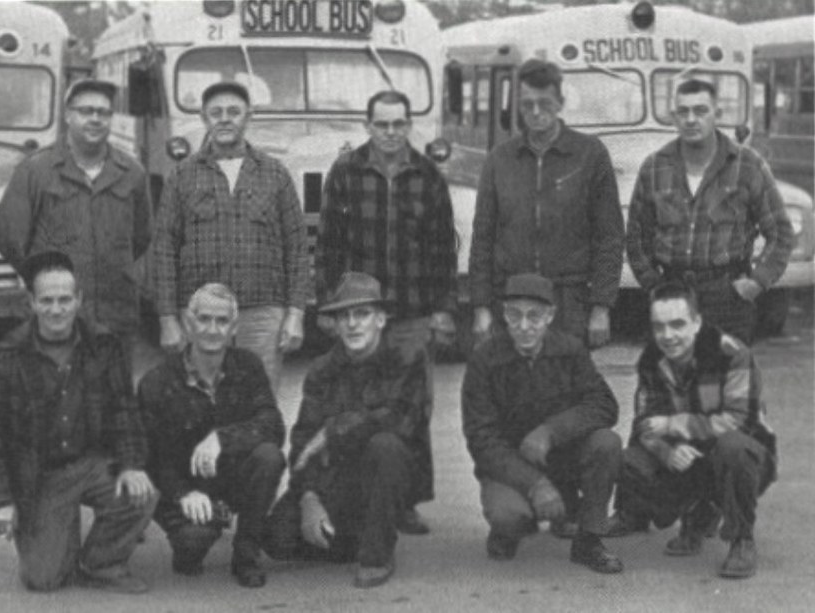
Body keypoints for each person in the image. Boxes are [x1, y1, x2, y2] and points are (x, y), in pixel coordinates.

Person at [315, 90, 457, 535]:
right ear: (367, 125)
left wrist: (444, 308)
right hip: (359, 313)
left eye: (399, 124)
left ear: (409, 124)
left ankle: (407, 500)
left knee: (413, 406)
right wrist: (327, 304)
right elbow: (329, 245)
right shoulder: (345, 172)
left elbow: (443, 248)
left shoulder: (428, 174)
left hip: (413, 312)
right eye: (382, 124)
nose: (391, 133)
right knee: (358, 403)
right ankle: (356, 494)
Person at [0, 251, 157, 593]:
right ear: (31, 302)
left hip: (91, 462)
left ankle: (101, 562)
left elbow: (124, 410)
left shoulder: (104, 344)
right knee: (43, 579)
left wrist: (132, 465)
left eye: (64, 299)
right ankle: (59, 529)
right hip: (39, 474)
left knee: (143, 492)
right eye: (46, 300)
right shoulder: (5, 356)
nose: (56, 310)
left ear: (79, 300)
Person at [264, 272, 429, 589]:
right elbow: (303, 441)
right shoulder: (323, 369)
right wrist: (309, 497)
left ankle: (377, 554)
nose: (353, 324)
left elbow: (402, 420)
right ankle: (354, 536)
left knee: (386, 445)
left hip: (387, 473)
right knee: (276, 539)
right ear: (335, 325)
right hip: (336, 479)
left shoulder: (406, 360)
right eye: (344, 316)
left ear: (381, 319)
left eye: (363, 314)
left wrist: (335, 429)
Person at [604, 282, 776, 579]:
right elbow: (645, 423)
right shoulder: (651, 360)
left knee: (733, 447)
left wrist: (675, 424)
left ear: (697, 323)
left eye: (677, 324)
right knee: (626, 460)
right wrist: (667, 451)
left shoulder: (731, 354)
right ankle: (696, 511)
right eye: (659, 327)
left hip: (741, 456)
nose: (668, 336)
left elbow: (740, 420)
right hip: (685, 454)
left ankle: (741, 538)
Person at [0, 78, 156, 380]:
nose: (95, 119)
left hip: (115, 318)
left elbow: (141, 237)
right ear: (68, 115)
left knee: (113, 411)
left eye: (103, 113)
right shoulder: (36, 170)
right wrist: (44, 278)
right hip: (56, 321)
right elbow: (8, 235)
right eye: (86, 111)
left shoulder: (132, 173)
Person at [151, 80, 309, 392]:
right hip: (200, 315)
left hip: (262, 315)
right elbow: (164, 250)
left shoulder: (275, 173)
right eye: (216, 112)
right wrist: (167, 318)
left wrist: (296, 314)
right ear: (203, 118)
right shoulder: (181, 175)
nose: (225, 119)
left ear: (248, 117)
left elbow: (297, 248)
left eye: (234, 112)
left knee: (258, 404)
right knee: (199, 404)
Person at [461, 273, 623, 574]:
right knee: (508, 517)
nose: (523, 326)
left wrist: (551, 431)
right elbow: (481, 440)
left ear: (550, 316)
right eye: (514, 315)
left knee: (606, 443)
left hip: (561, 459)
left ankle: (589, 539)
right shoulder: (483, 361)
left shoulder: (572, 350)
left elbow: (604, 405)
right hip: (510, 467)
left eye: (534, 316)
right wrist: (534, 483)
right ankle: (512, 527)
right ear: (504, 315)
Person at [138, 283, 286, 588]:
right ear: (189, 323)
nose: (212, 329)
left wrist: (221, 438)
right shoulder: (157, 382)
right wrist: (182, 494)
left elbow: (273, 424)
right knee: (193, 544)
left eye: (221, 321)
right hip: (184, 485)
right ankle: (193, 537)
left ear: (234, 328)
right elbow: (151, 457)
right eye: (204, 319)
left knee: (269, 456)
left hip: (230, 475)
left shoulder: (248, 366)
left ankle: (246, 554)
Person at [469, 59, 624, 348]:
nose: (536, 112)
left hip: (568, 302)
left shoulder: (590, 155)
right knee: (511, 390)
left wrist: (601, 307)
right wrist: (481, 307)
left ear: (561, 102)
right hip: (512, 302)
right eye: (527, 105)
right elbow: (482, 239)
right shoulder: (499, 159)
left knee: (566, 389)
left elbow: (610, 236)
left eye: (545, 103)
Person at [626, 78, 795, 344]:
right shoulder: (655, 167)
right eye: (683, 112)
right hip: (672, 292)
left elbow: (781, 233)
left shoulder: (747, 165)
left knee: (727, 381)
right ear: (673, 118)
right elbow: (636, 237)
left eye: (701, 111)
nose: (691, 119)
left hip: (727, 297)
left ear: (717, 114)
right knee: (672, 380)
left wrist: (757, 282)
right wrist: (653, 286)